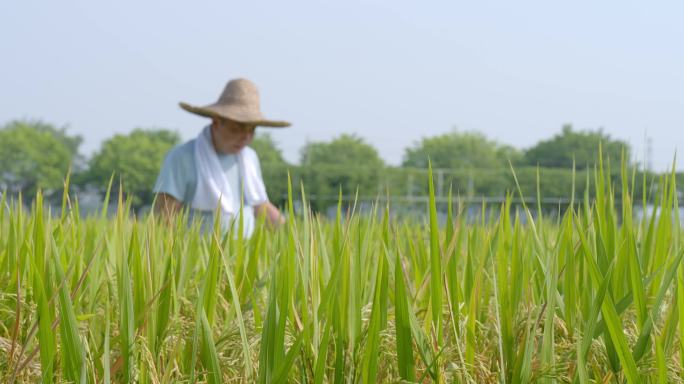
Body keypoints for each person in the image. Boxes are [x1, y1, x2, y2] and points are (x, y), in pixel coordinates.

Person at [153, 78, 288, 237]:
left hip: (243, 256)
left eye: (251, 130)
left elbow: (259, 204)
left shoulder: (249, 159)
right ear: (217, 122)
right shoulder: (182, 158)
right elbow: (164, 217)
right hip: (196, 258)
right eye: (237, 128)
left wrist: (296, 238)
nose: (245, 137)